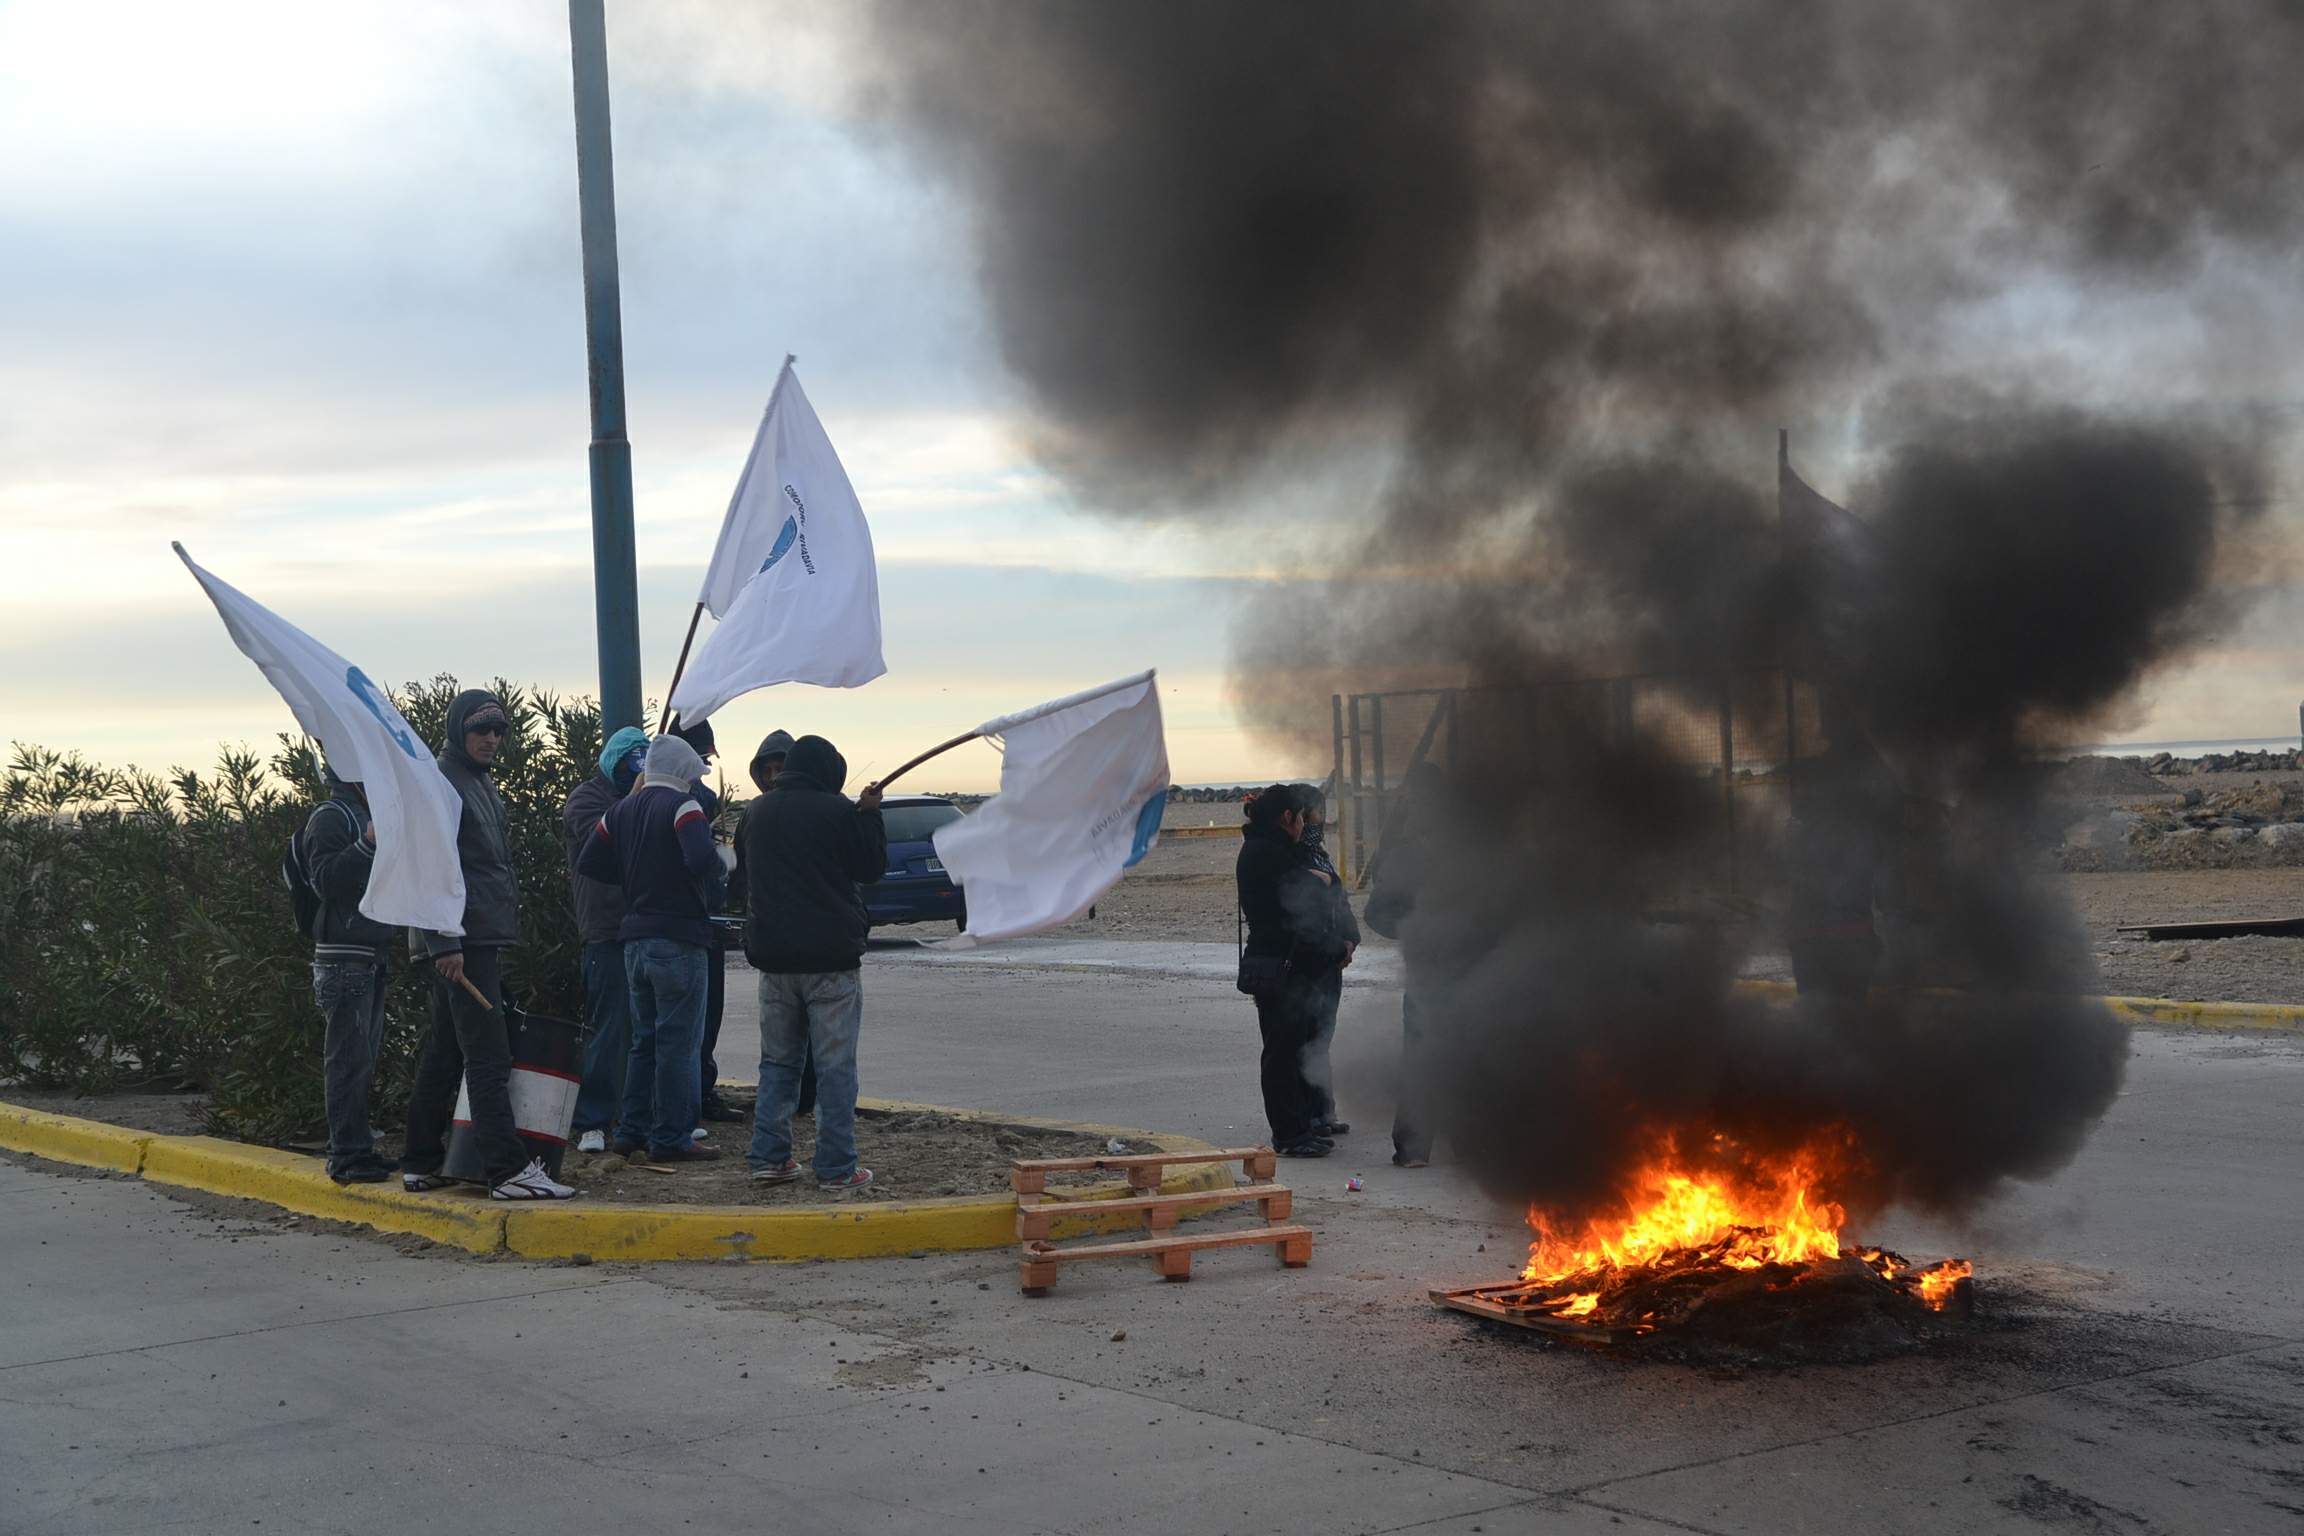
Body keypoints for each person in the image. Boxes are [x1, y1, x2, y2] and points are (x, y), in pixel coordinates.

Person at [402, 690, 576, 1200]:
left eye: (499, 729)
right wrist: (444, 941)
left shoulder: (475, 781)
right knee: (488, 1055)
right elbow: (433, 865)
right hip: (463, 940)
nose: (492, 738)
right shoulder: (443, 782)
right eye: (482, 729)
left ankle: (418, 1160)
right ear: (459, 729)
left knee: (444, 1051)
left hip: (474, 936)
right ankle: (506, 1170)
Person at [739, 735, 884, 1192]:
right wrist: (870, 817)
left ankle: (769, 1158)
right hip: (831, 960)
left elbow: (741, 874)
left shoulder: (755, 813)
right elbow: (870, 868)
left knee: (778, 1063)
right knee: (834, 1067)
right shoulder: (838, 811)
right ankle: (837, 1167)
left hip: (774, 960)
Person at [578, 734, 727, 1163]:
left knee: (642, 1040)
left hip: (633, 941)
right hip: (678, 938)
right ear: (682, 773)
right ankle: (673, 1136)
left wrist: (633, 880)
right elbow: (700, 860)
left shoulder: (622, 809)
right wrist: (722, 868)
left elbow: (590, 861)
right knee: (679, 1042)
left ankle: (631, 1131)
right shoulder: (684, 806)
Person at [1236, 784, 1357, 1158]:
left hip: (1293, 965)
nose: (1306, 825)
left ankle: (1303, 1125)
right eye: (1302, 817)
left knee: (1299, 1048)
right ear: (1287, 817)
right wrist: (1322, 883)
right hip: (1280, 965)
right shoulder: (1265, 852)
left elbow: (1326, 888)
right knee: (1282, 1053)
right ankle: (1289, 1134)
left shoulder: (1274, 849)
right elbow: (1308, 896)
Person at [304, 763, 396, 1184]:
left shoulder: (360, 812)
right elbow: (324, 880)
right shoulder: (331, 816)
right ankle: (345, 1154)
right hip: (344, 957)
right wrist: (367, 844)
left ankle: (358, 1148)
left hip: (367, 953)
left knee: (362, 1058)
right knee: (346, 1059)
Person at [564, 725, 650, 1154]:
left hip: (643, 927)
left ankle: (641, 1116)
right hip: (604, 930)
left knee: (646, 1028)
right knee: (609, 1026)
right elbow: (604, 839)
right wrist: (635, 800)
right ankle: (592, 1121)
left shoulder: (639, 800)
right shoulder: (585, 799)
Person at [1365, 764, 1444, 1168]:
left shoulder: (1414, 845)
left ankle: (1424, 1146)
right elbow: (1379, 911)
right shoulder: (1409, 850)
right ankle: (1416, 1145)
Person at [738, 728, 814, 1118]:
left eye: (779, 768)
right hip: (773, 946)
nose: (772, 777)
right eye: (766, 770)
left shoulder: (822, 808)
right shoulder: (755, 814)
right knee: (781, 1047)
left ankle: (806, 1104)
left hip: (816, 944)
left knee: (817, 1042)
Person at [672, 715, 744, 1124]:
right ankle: (689, 1098)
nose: (705, 763)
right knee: (683, 1020)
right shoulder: (670, 796)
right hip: (685, 920)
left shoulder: (703, 796)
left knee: (708, 1013)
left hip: (709, 918)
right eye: (700, 755)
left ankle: (702, 1088)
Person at [1295, 787, 1360, 1138]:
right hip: (1309, 960)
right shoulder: (1292, 857)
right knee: (1305, 1040)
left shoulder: (1319, 855)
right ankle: (1307, 1115)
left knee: (1323, 1037)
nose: (1321, 820)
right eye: (1316, 813)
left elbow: (1340, 902)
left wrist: (1349, 941)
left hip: (1332, 958)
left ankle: (1324, 1111)